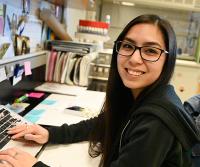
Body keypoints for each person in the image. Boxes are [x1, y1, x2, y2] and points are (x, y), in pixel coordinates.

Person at [0, 14, 199, 167]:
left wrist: (35, 165)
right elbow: (105, 123)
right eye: (128, 46)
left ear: (168, 59)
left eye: (150, 50)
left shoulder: (157, 121)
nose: (135, 59)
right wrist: (51, 134)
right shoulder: (140, 95)